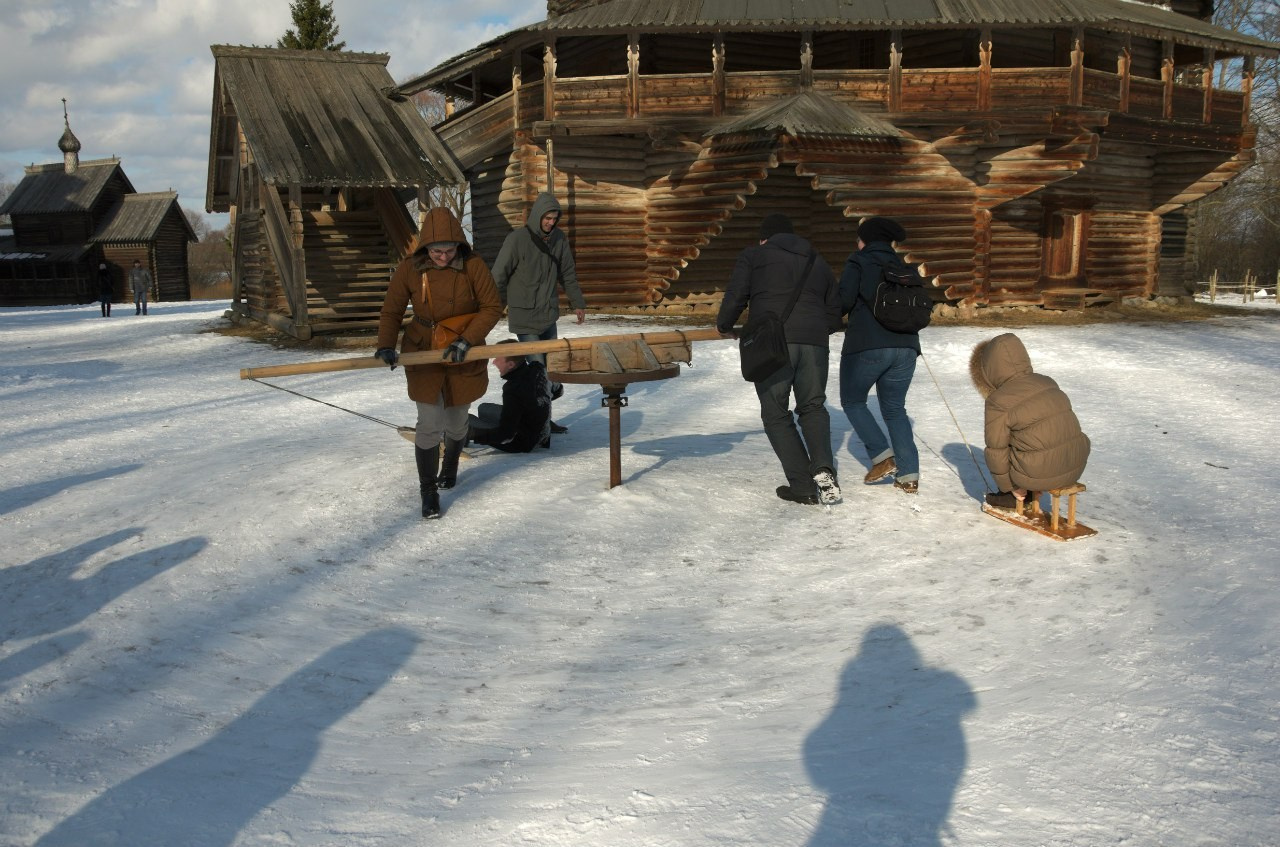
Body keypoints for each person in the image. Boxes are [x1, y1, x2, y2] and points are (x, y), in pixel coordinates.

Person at [374, 207, 503, 519]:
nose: (442, 257)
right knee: (430, 423)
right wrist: (385, 345)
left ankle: (452, 463)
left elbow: (491, 306)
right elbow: (392, 311)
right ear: (424, 248)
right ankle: (428, 490)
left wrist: (467, 339)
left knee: (457, 420)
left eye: (448, 250)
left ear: (459, 245)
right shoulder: (410, 268)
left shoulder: (473, 265)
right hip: (424, 351)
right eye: (435, 250)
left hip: (463, 349)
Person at [716, 213, 842, 506]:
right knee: (812, 405)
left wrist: (725, 324)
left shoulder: (755, 255)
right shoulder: (817, 260)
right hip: (814, 342)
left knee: (775, 412)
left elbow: (737, 294)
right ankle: (823, 469)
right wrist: (816, 329)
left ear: (764, 238)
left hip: (773, 343)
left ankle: (802, 485)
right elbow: (834, 311)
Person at [838, 216, 922, 494]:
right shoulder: (903, 267)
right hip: (907, 348)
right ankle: (909, 475)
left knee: (852, 400)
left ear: (865, 240)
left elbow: (843, 300)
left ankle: (882, 457)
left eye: (858, 237)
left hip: (867, 345)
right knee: (896, 409)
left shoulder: (858, 261)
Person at [491, 192, 587, 433]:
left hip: (548, 315)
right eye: (547, 218)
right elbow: (498, 276)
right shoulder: (517, 240)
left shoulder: (559, 240)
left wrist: (578, 302)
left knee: (549, 372)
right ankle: (538, 423)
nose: (551, 223)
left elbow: (568, 273)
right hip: (525, 317)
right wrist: (488, 306)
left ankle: (541, 419)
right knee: (537, 372)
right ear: (537, 216)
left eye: (554, 218)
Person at [969, 332, 1091, 509]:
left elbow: (997, 450)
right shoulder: (1047, 382)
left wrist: (1010, 487)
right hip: (1076, 463)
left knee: (1004, 444)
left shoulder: (999, 400)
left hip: (1039, 471)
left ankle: (1013, 497)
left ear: (989, 369)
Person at [467, 339, 553, 454]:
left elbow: (506, 435)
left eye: (498, 359)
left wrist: (472, 434)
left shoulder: (513, 388)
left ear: (511, 365)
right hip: (540, 433)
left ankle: (457, 439)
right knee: (483, 408)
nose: (494, 362)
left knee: (464, 420)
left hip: (522, 442)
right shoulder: (537, 368)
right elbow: (557, 390)